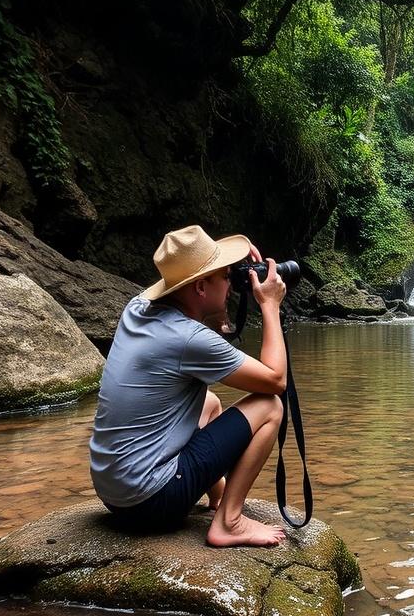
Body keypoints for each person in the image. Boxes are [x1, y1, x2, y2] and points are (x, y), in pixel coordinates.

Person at [89, 225, 288, 547]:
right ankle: (229, 523)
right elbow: (275, 381)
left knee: (208, 402)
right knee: (268, 407)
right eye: (226, 276)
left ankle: (218, 497)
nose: (232, 285)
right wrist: (269, 305)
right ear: (199, 287)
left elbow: (189, 278)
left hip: (113, 491)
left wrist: (241, 249)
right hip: (150, 503)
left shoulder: (137, 308)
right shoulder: (189, 339)